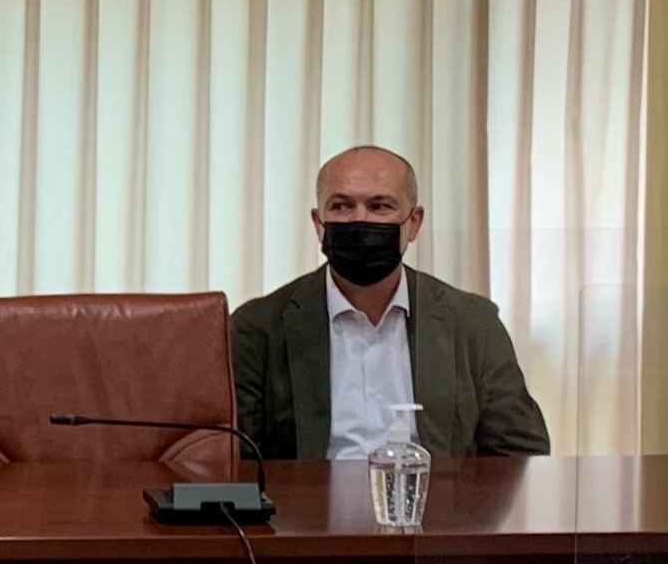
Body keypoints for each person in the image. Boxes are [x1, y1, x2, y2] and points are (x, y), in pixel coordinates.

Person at [231, 145, 550, 462]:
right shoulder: (258, 328)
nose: (359, 219)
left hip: (437, 509)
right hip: (306, 510)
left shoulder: (472, 323)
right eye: (341, 206)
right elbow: (236, 460)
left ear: (414, 223)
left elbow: (519, 451)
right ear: (319, 223)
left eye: (380, 206)